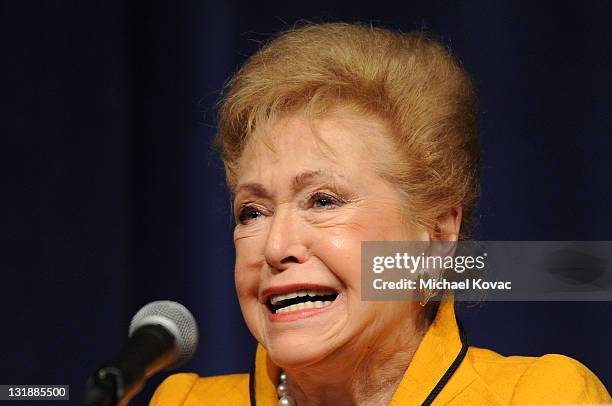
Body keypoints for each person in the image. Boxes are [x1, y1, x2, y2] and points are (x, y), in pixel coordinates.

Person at [150, 22, 610, 405]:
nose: (276, 247)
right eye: (252, 212)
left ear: (437, 233)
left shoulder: (538, 397)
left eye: (323, 200)